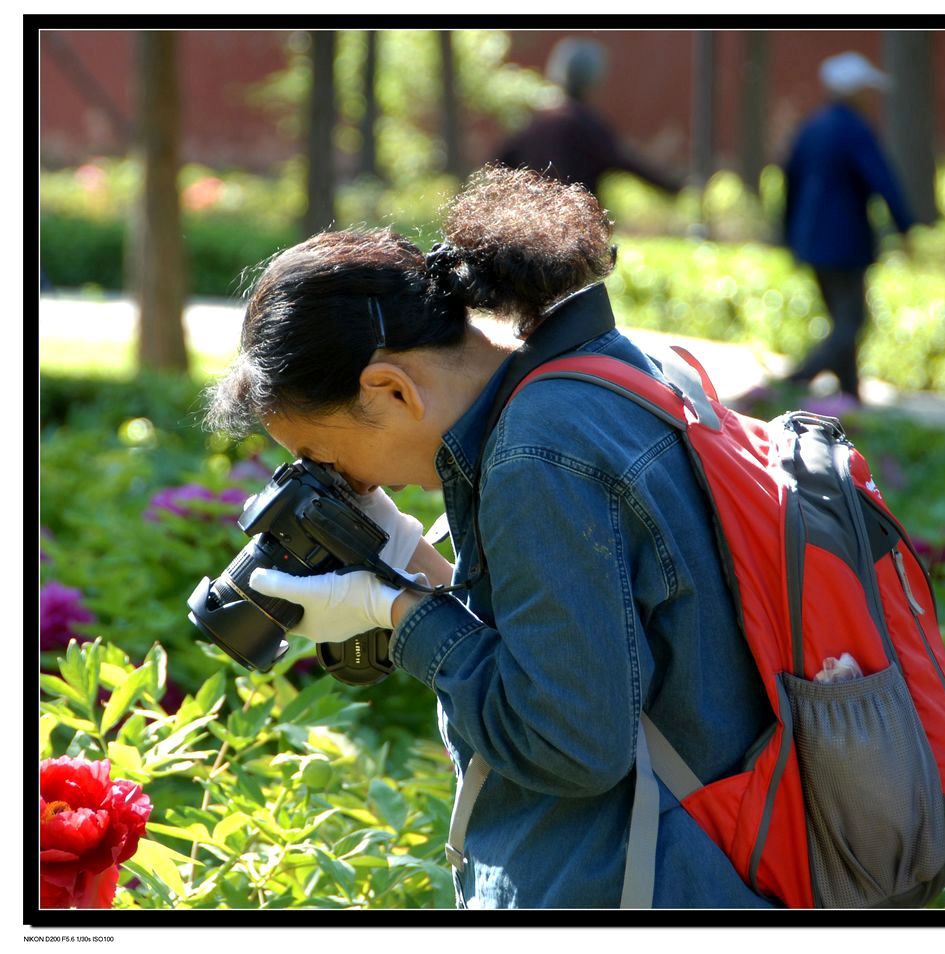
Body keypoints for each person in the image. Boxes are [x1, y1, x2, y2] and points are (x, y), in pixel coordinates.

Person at [204, 165, 774, 909]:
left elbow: (570, 745)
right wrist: (411, 565)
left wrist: (396, 615)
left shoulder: (536, 455)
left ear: (391, 389)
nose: (337, 480)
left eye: (321, 454)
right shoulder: (593, 374)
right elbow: (589, 648)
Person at [781, 51, 915, 401]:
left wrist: (787, 235)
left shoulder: (811, 126)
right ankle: (796, 377)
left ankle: (850, 396)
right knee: (852, 322)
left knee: (841, 317)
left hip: (810, 240)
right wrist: (905, 227)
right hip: (846, 241)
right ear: (854, 91)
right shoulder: (856, 129)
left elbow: (788, 181)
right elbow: (882, 180)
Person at [496, 38, 683, 199]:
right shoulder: (586, 125)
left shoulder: (535, 123)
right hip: (577, 222)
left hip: (534, 222)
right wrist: (673, 187)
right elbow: (625, 162)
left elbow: (500, 162)